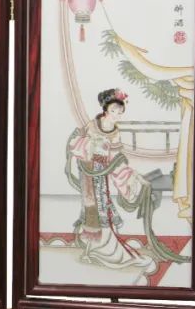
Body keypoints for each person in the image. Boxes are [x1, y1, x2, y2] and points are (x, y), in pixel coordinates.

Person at [66, 88, 156, 270]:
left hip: (102, 174)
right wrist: (92, 147)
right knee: (92, 209)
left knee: (103, 208)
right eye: (114, 111)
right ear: (106, 109)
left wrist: (133, 177)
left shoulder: (115, 132)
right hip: (88, 172)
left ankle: (103, 250)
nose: (117, 115)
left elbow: (116, 159)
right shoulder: (92, 125)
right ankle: (97, 250)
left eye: (120, 112)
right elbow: (75, 144)